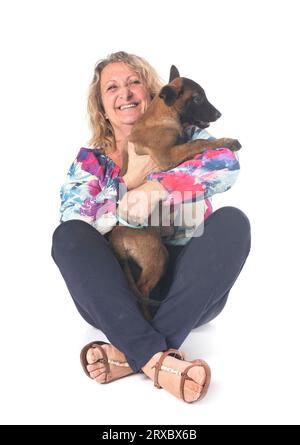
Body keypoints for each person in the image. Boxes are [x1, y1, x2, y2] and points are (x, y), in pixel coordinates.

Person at [51, 51, 251, 404]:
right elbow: (75, 217)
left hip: (188, 288)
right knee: (67, 236)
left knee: (234, 222)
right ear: (102, 105)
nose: (124, 93)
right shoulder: (91, 161)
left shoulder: (187, 135)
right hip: (116, 293)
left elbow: (226, 164)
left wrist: (156, 188)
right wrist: (128, 184)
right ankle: (161, 359)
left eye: (133, 82)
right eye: (112, 87)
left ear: (153, 92)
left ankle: (131, 355)